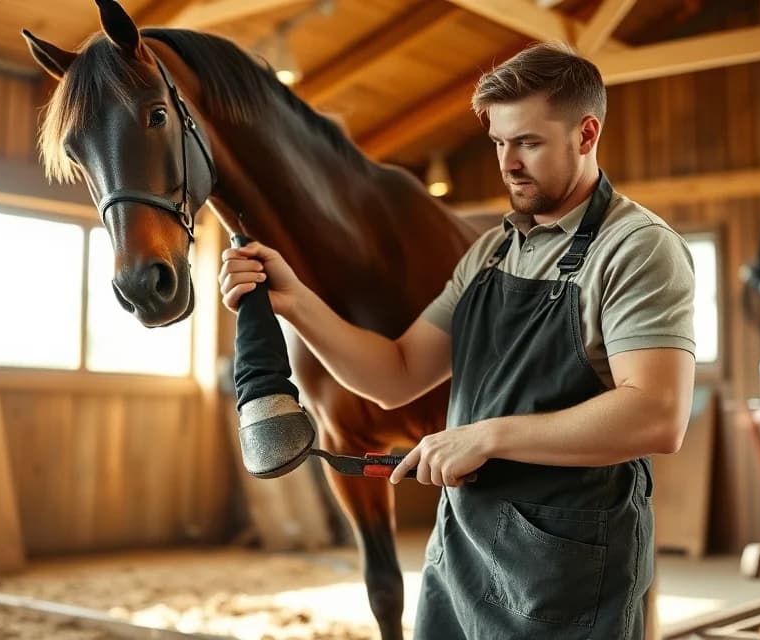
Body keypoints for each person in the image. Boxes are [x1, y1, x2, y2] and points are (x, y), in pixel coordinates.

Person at [220, 41, 695, 640]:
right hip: (460, 550)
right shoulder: (491, 252)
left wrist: (486, 437)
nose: (507, 163)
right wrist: (296, 302)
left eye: (527, 142)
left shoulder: (637, 248)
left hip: (566, 563)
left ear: (586, 133)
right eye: (498, 142)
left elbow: (657, 414)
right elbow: (395, 374)